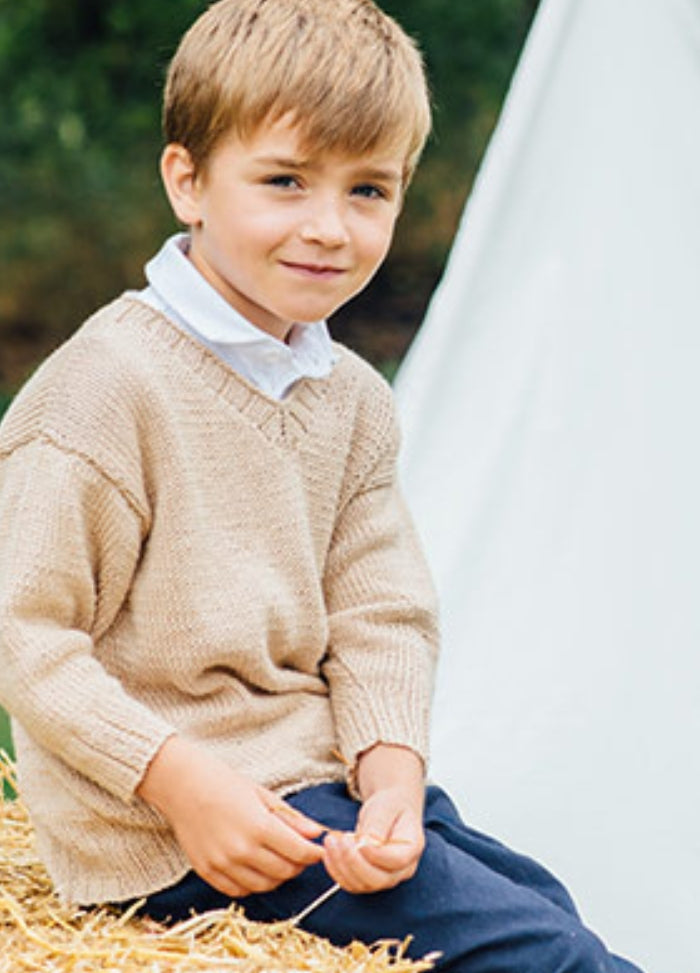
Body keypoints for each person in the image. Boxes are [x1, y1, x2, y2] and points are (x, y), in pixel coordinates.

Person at [0, 2, 642, 971]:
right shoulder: (106, 390)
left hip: (311, 782)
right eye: (285, 181)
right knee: (548, 956)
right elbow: (25, 632)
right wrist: (178, 783)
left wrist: (390, 772)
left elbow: (379, 607)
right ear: (188, 182)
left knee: (545, 902)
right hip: (177, 824)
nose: (328, 228)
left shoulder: (348, 395)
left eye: (368, 190)